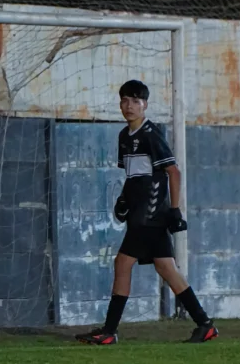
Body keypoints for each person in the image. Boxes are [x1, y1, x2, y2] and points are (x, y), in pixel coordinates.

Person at [76, 80, 219, 345]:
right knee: (166, 267)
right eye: (124, 100)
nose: (129, 106)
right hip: (139, 212)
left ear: (145, 105)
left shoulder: (151, 134)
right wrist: (123, 199)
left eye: (135, 101)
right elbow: (135, 177)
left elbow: (173, 171)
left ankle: (109, 331)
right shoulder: (124, 136)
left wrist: (174, 210)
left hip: (150, 213)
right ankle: (205, 324)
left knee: (122, 263)